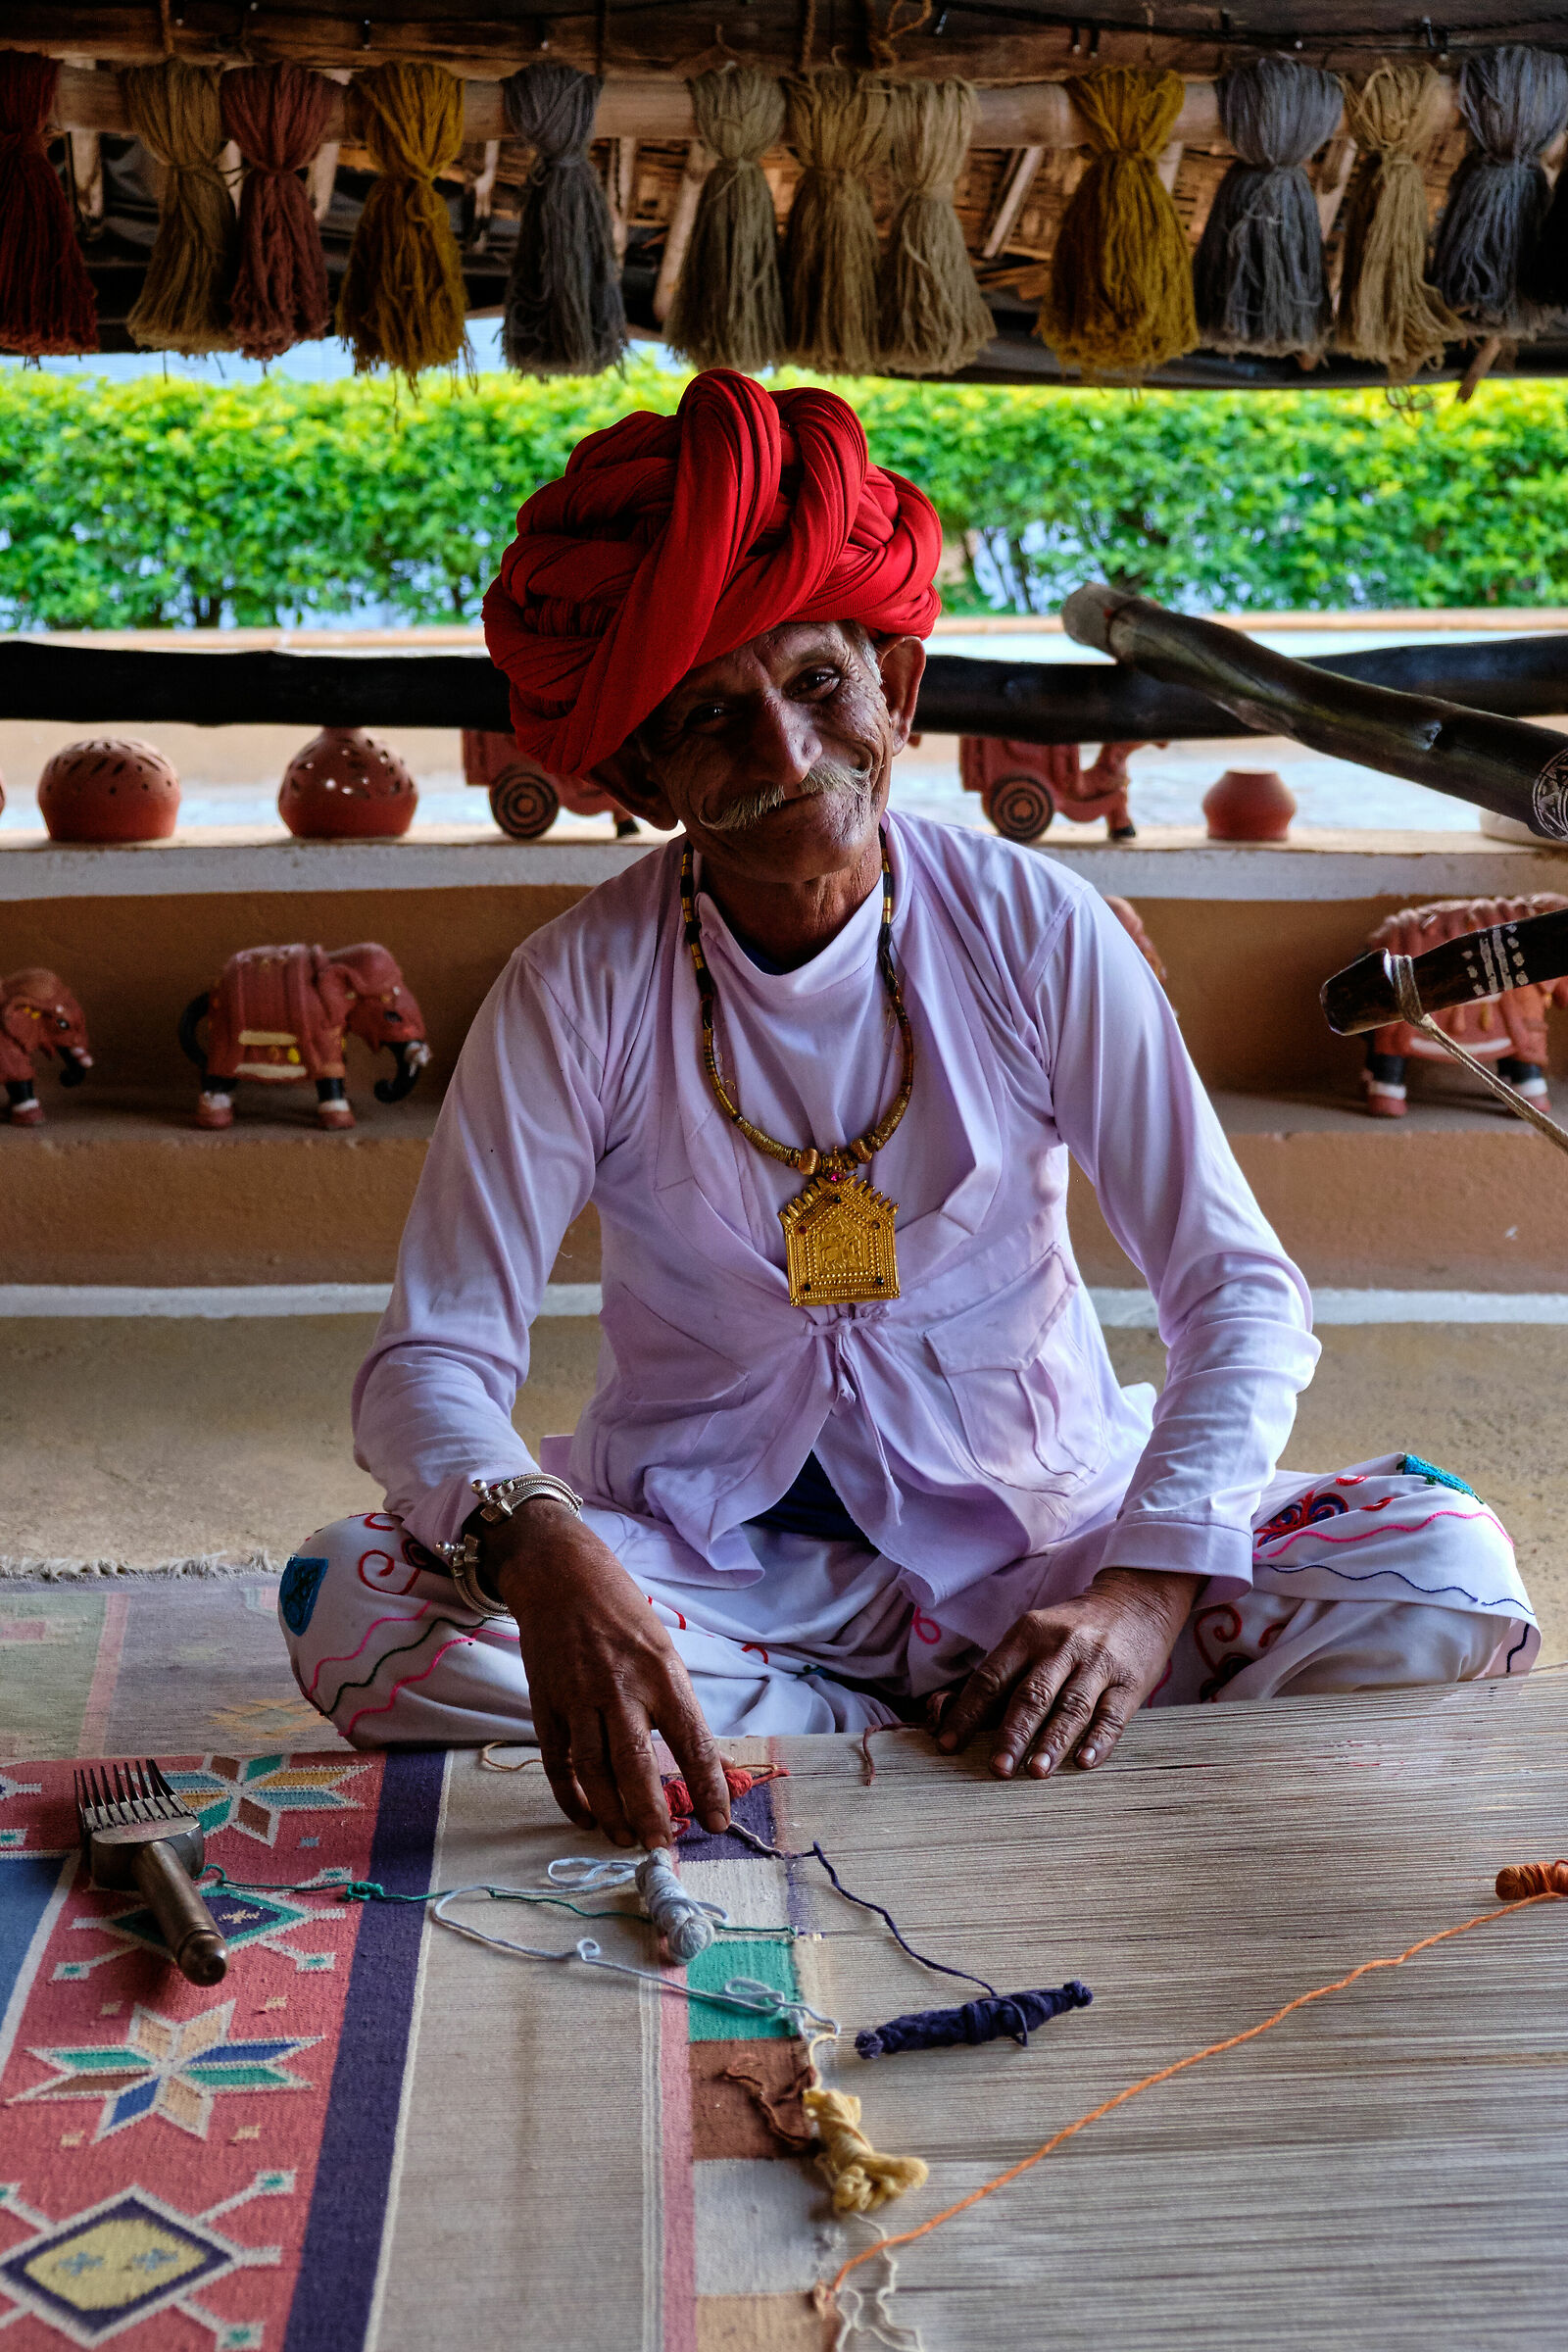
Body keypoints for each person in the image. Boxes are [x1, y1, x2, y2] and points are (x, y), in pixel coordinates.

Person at [277, 371, 1535, 1851]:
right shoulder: (578, 989)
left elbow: (1238, 1294)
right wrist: (549, 1557)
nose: (787, 757)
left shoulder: (1037, 931)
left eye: (819, 686)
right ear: (638, 775)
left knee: (1446, 1560)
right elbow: (428, 1362)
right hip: (715, 1565)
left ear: (901, 693)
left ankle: (868, 1725)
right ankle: (903, 1723)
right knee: (351, 1601)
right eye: (713, 721)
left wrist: (1139, 1597)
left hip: (1047, 1537)